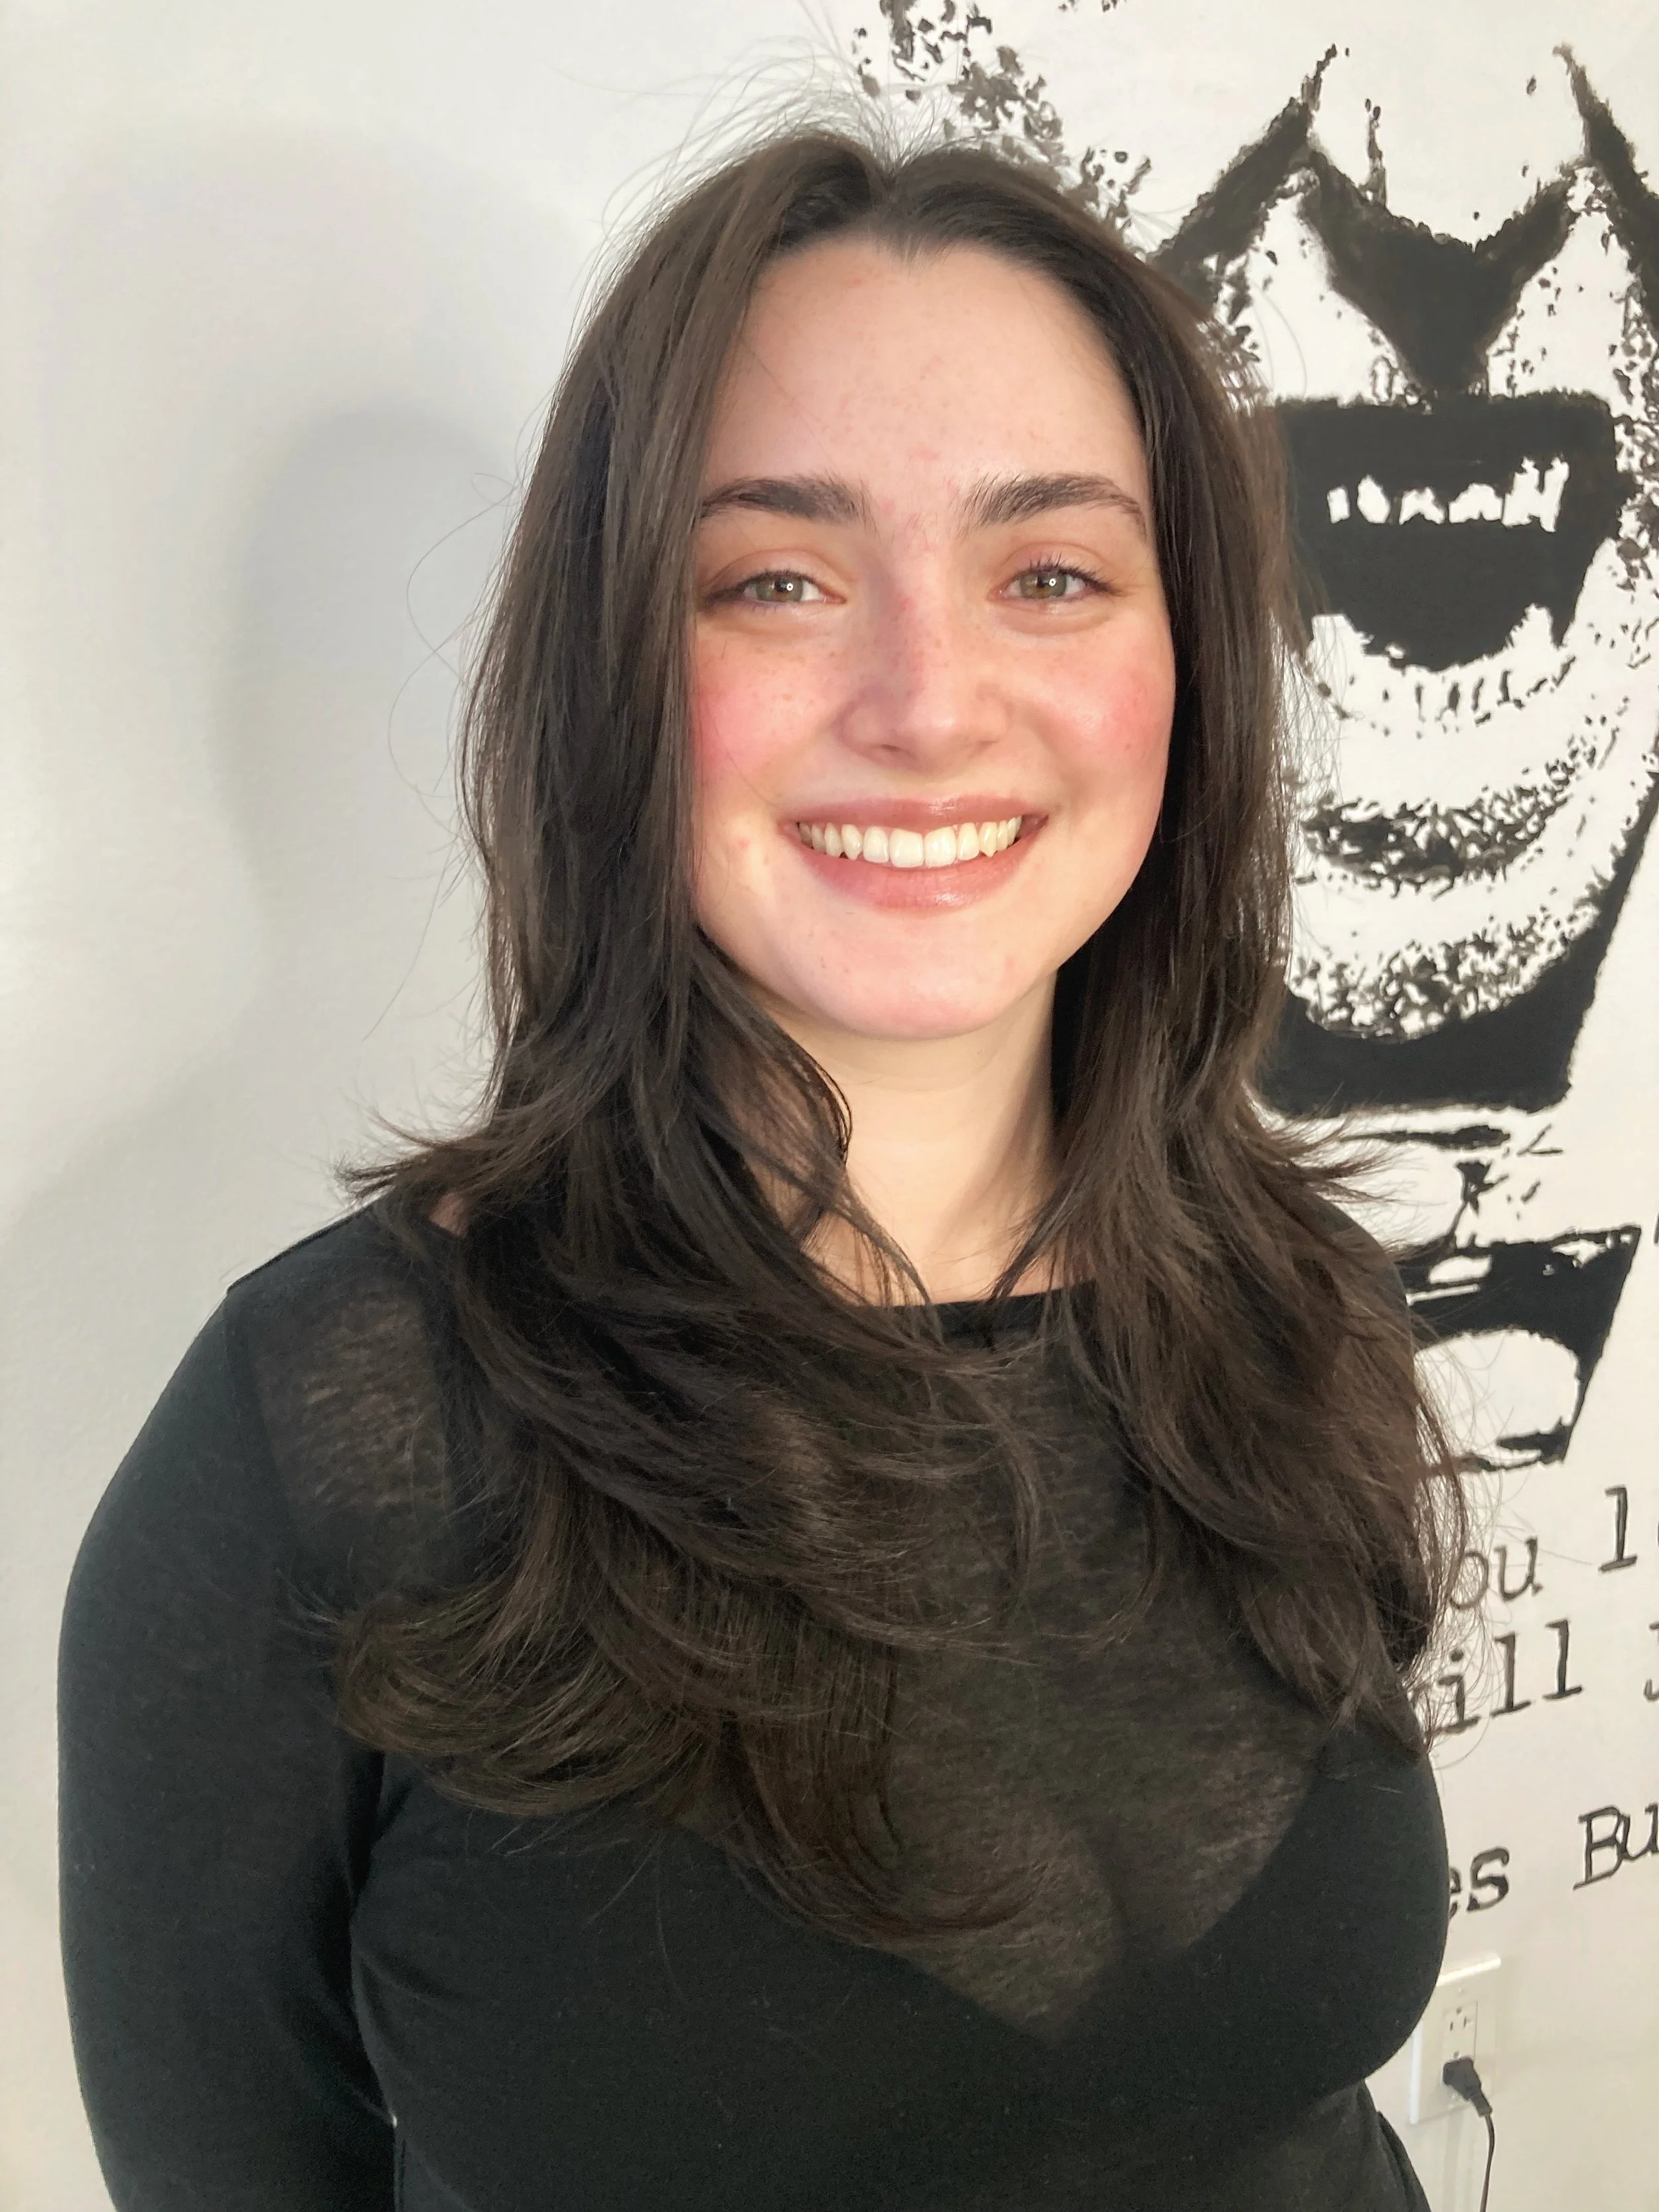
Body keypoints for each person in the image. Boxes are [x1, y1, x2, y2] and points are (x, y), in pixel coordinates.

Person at [58, 121, 1468, 2211]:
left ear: (1185, 664)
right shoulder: (332, 1436)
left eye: (1050, 573)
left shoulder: (1302, 1317)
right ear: (615, 671)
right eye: (776, 582)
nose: (926, 703)